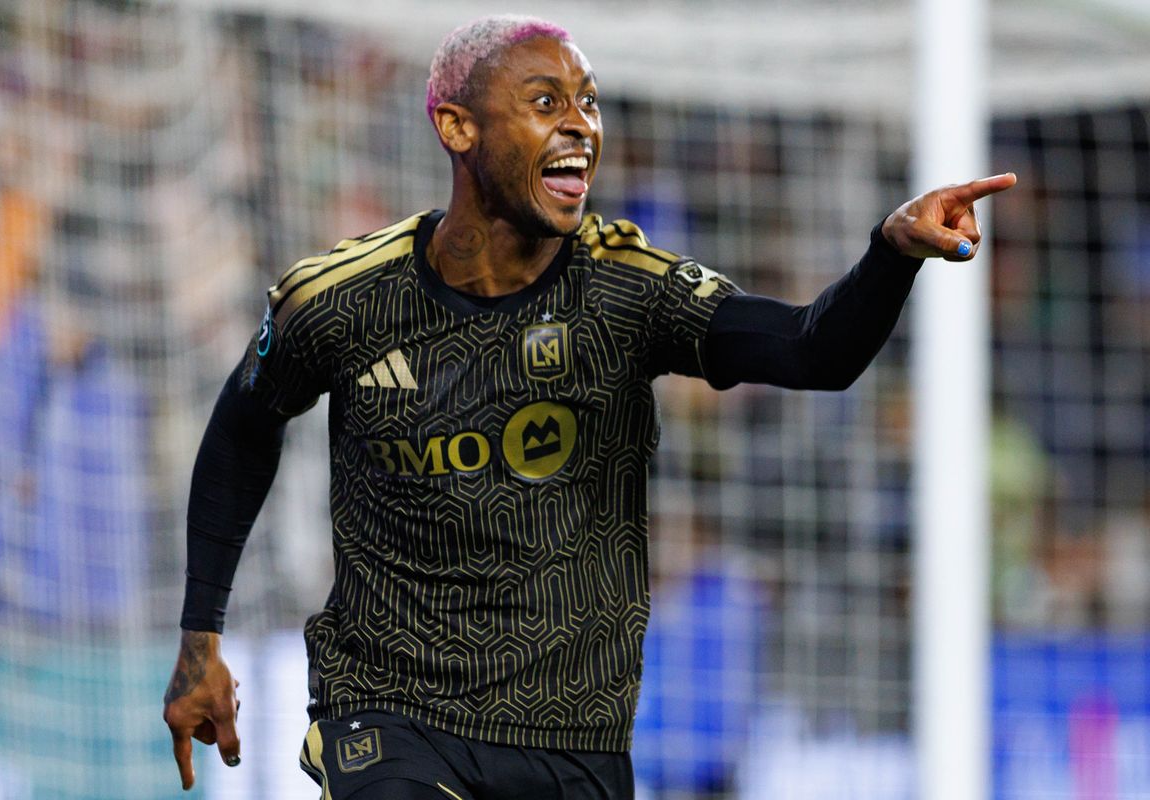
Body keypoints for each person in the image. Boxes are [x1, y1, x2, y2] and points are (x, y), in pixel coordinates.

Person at [162, 14, 1016, 800]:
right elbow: (242, 427)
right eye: (545, 102)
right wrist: (201, 634)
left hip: (573, 736)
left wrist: (890, 254)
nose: (580, 124)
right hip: (390, 713)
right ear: (457, 127)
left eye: (589, 102)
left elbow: (809, 352)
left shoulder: (627, 292)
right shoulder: (340, 300)